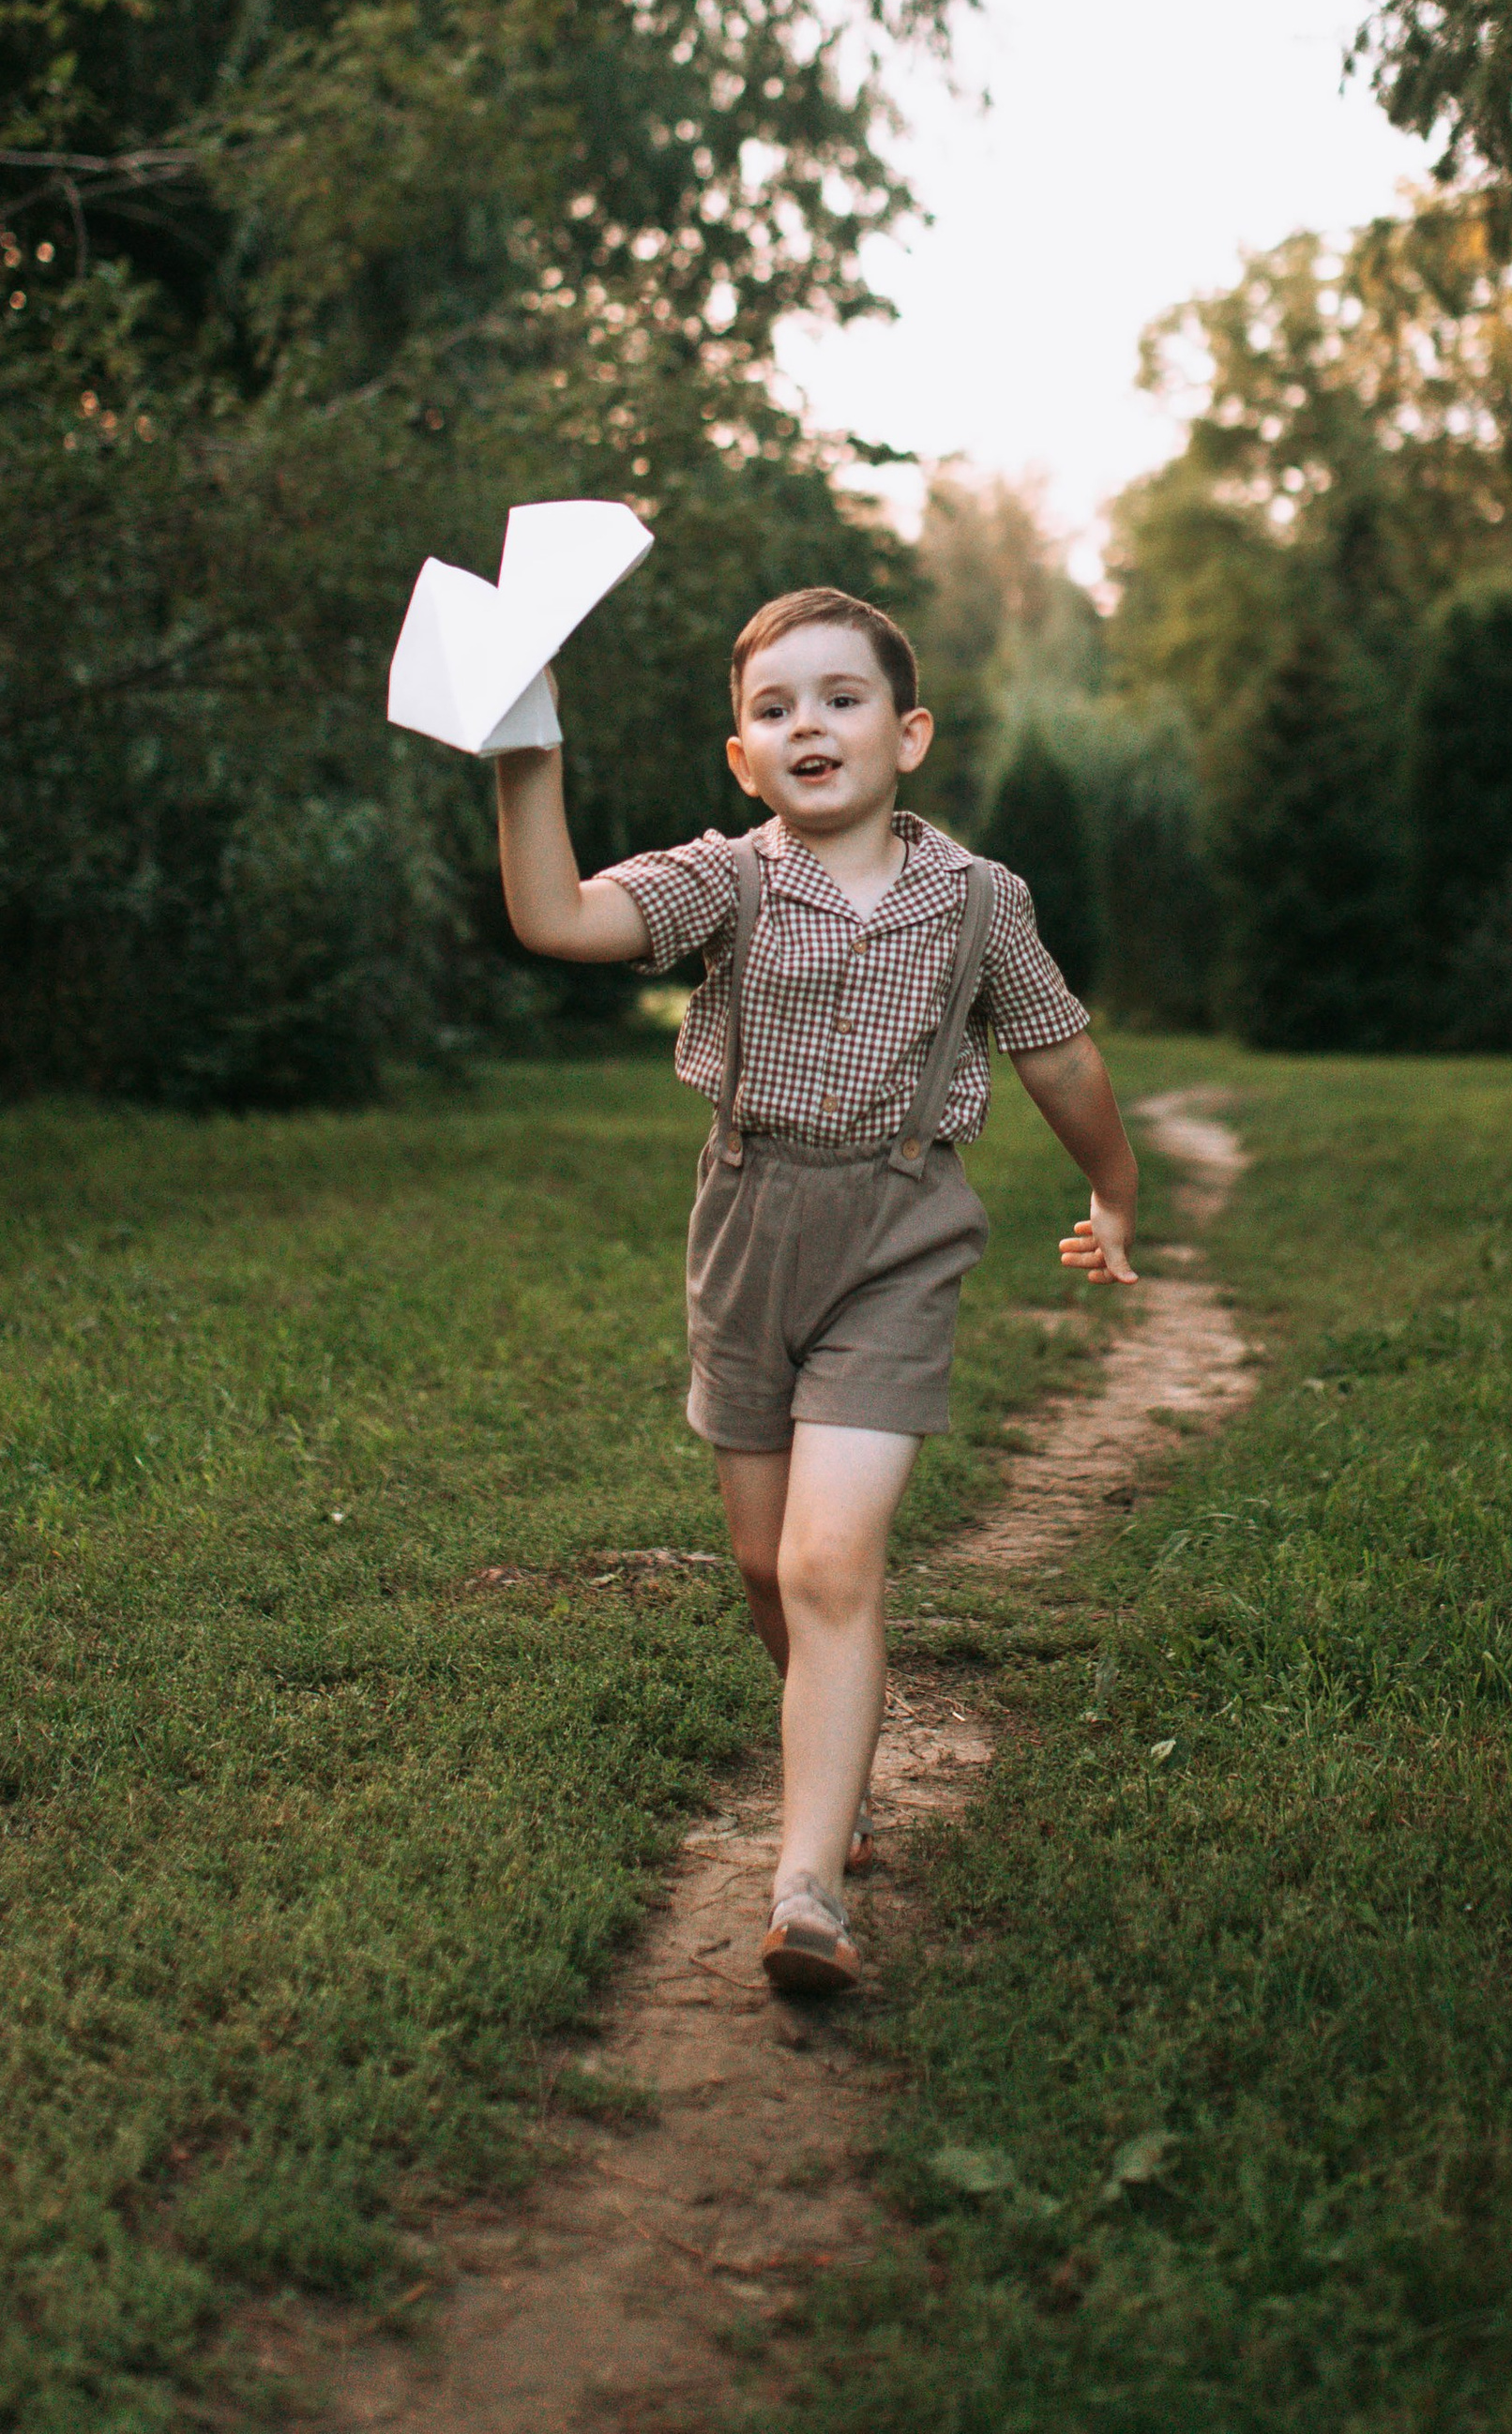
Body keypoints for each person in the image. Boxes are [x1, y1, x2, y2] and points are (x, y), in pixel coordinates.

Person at [493, 583, 1141, 1997]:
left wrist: (1113, 1189)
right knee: (764, 1570)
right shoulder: (722, 879)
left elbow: (1059, 1054)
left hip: (899, 1236)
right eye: (774, 709)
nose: (809, 726)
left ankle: (807, 1893)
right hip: (747, 1229)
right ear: (742, 758)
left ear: (906, 734)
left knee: (831, 1563)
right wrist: (521, 742)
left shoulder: (981, 898)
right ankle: (837, 1730)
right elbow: (555, 918)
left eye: (840, 699)